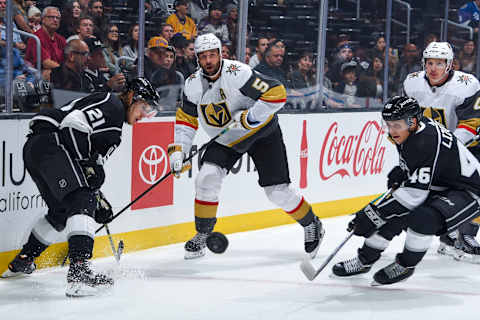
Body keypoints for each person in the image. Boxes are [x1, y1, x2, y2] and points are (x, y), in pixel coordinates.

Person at [168, 33, 324, 259]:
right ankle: (202, 234)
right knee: (206, 178)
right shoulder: (192, 85)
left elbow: (276, 93)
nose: (209, 61)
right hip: (226, 138)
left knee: (277, 192)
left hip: (261, 132)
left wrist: (250, 118)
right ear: (197, 59)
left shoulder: (237, 73)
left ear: (221, 55)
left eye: (213, 55)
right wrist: (179, 150)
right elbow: (186, 120)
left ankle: (312, 224)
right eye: (204, 57)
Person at [2, 78, 161, 297]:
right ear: (132, 97)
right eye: (144, 108)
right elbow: (74, 122)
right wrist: (88, 182)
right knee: (81, 200)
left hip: (39, 149)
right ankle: (79, 273)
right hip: (51, 143)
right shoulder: (112, 106)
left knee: (61, 212)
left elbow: (88, 167)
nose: (145, 115)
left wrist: (96, 194)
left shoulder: (114, 123)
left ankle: (23, 260)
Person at [332, 96, 480, 285]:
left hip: (469, 191)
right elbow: (424, 167)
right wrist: (404, 171)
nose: (392, 131)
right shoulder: (413, 130)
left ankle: (405, 265)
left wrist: (372, 213)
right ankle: (364, 260)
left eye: (396, 125)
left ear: (413, 122)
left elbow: (413, 195)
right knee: (393, 215)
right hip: (441, 183)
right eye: (389, 124)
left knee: (423, 218)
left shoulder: (425, 140)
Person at [403, 41, 480, 262]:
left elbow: (471, 123)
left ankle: (466, 236)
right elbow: (406, 117)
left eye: (439, 63)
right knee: (434, 193)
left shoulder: (467, 84)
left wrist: (448, 148)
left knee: (472, 191)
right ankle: (448, 240)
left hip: (469, 146)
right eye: (429, 63)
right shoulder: (412, 83)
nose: (434, 68)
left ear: (450, 64)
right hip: (431, 148)